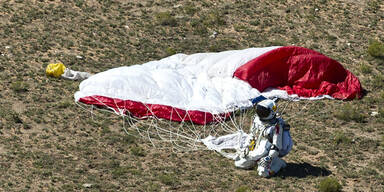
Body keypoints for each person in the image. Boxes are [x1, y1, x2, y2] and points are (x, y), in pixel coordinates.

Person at [235, 99, 293, 177]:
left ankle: (279, 163)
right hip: (257, 148)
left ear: (272, 112)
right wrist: (247, 147)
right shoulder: (256, 120)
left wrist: (269, 158)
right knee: (239, 163)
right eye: (259, 111)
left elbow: (277, 146)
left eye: (264, 112)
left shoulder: (276, 126)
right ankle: (256, 160)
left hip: (269, 151)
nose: (261, 114)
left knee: (263, 173)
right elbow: (252, 135)